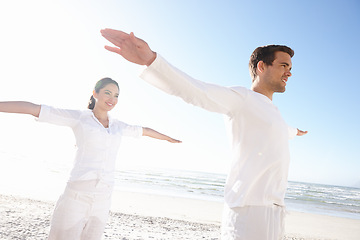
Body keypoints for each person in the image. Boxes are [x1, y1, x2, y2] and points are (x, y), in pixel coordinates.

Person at [100, 29, 308, 240]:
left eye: (290, 68)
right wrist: (151, 60)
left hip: (274, 211)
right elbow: (196, 91)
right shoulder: (242, 98)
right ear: (262, 66)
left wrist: (294, 131)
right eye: (283, 65)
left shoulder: (275, 115)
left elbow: (282, 130)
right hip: (249, 211)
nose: (289, 72)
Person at [0, 77, 181, 240]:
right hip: (76, 196)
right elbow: (34, 109)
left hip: (103, 198)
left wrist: (168, 138)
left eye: (116, 95)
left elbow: (145, 131)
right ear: (95, 93)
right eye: (107, 93)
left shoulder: (118, 126)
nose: (112, 99)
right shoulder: (80, 118)